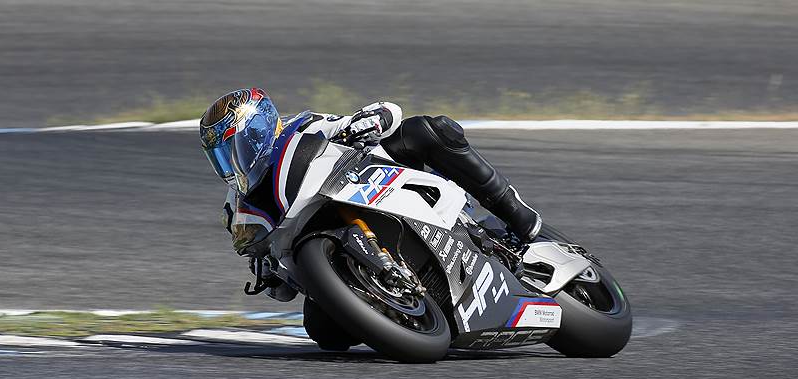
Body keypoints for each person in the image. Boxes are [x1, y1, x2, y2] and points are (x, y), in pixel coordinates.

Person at [199, 88, 541, 300]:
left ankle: (514, 210)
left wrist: (369, 121)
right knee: (325, 335)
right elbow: (279, 290)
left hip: (364, 184)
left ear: (259, 131)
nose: (232, 162)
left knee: (427, 130)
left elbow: (389, 111)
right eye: (222, 156)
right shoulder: (237, 204)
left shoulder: (302, 126)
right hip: (324, 245)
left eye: (235, 149)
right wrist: (265, 265)